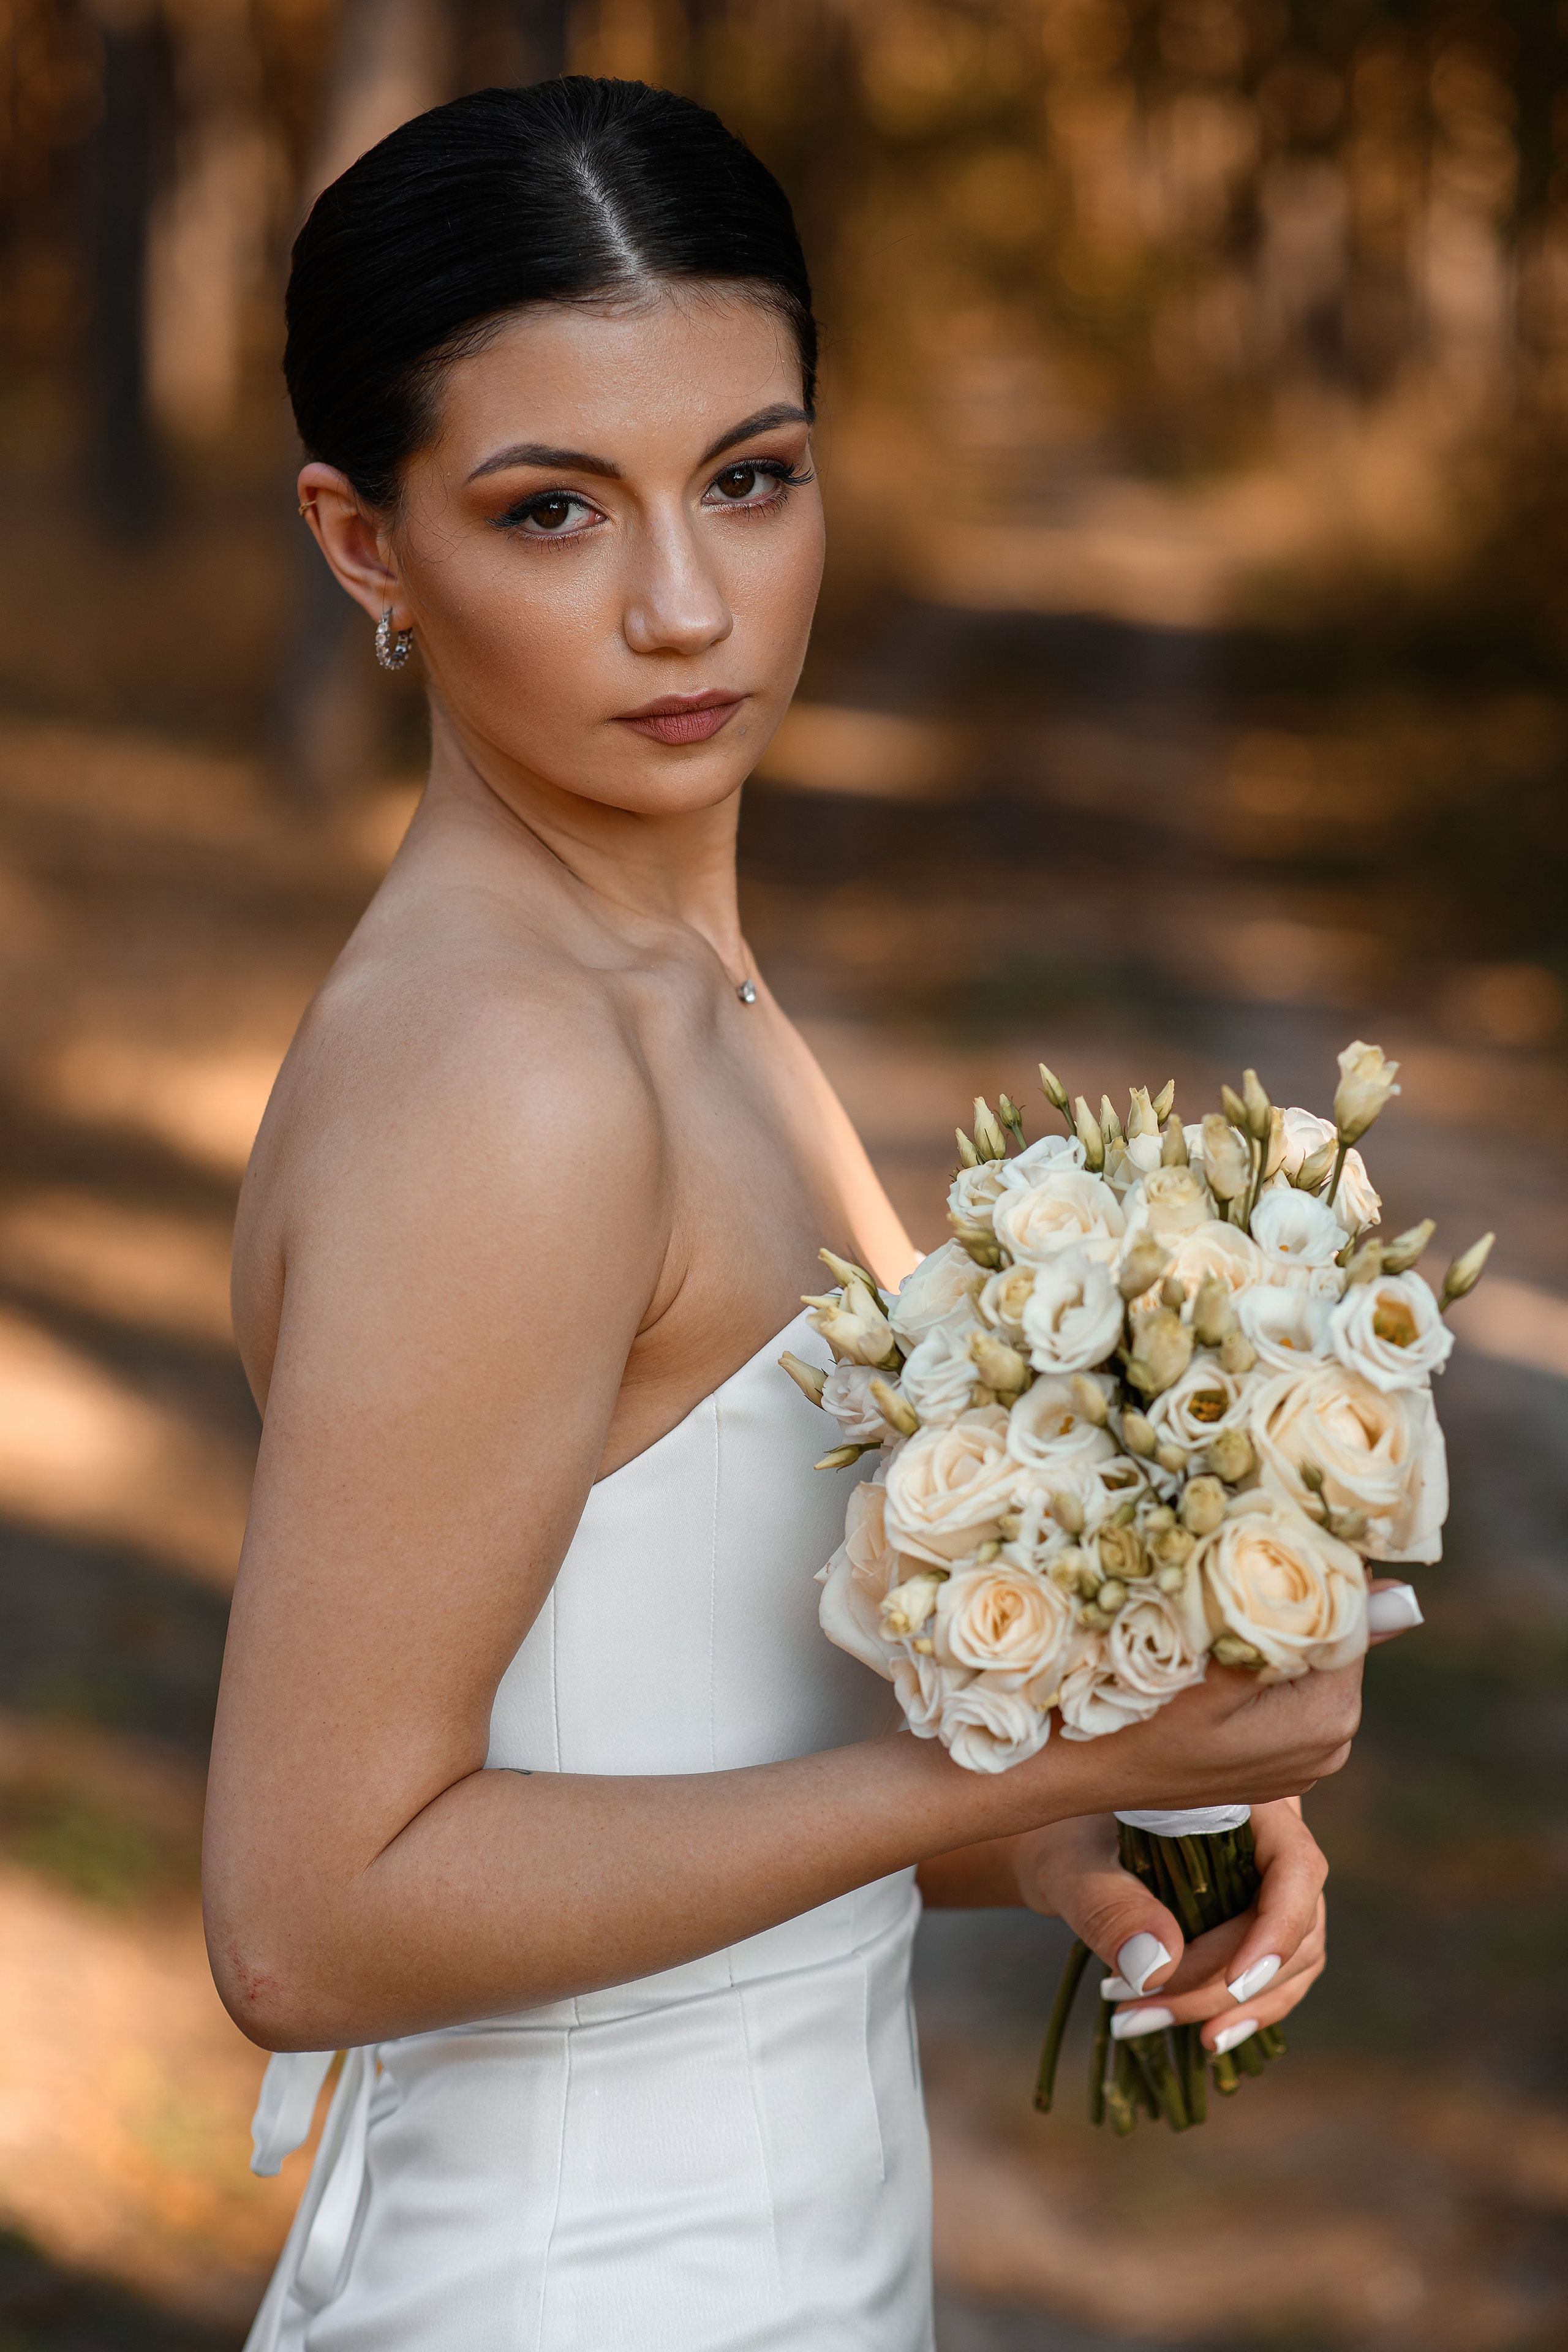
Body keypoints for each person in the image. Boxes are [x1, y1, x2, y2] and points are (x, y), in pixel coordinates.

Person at [204, 78, 1377, 2352]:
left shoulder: (680, 988)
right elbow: (312, 1921)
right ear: (366, 548)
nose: (682, 604)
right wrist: (1034, 1760)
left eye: (750, 478)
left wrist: (1067, 1839)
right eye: (552, 511)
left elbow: (644, 1761)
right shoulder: (513, 1076)